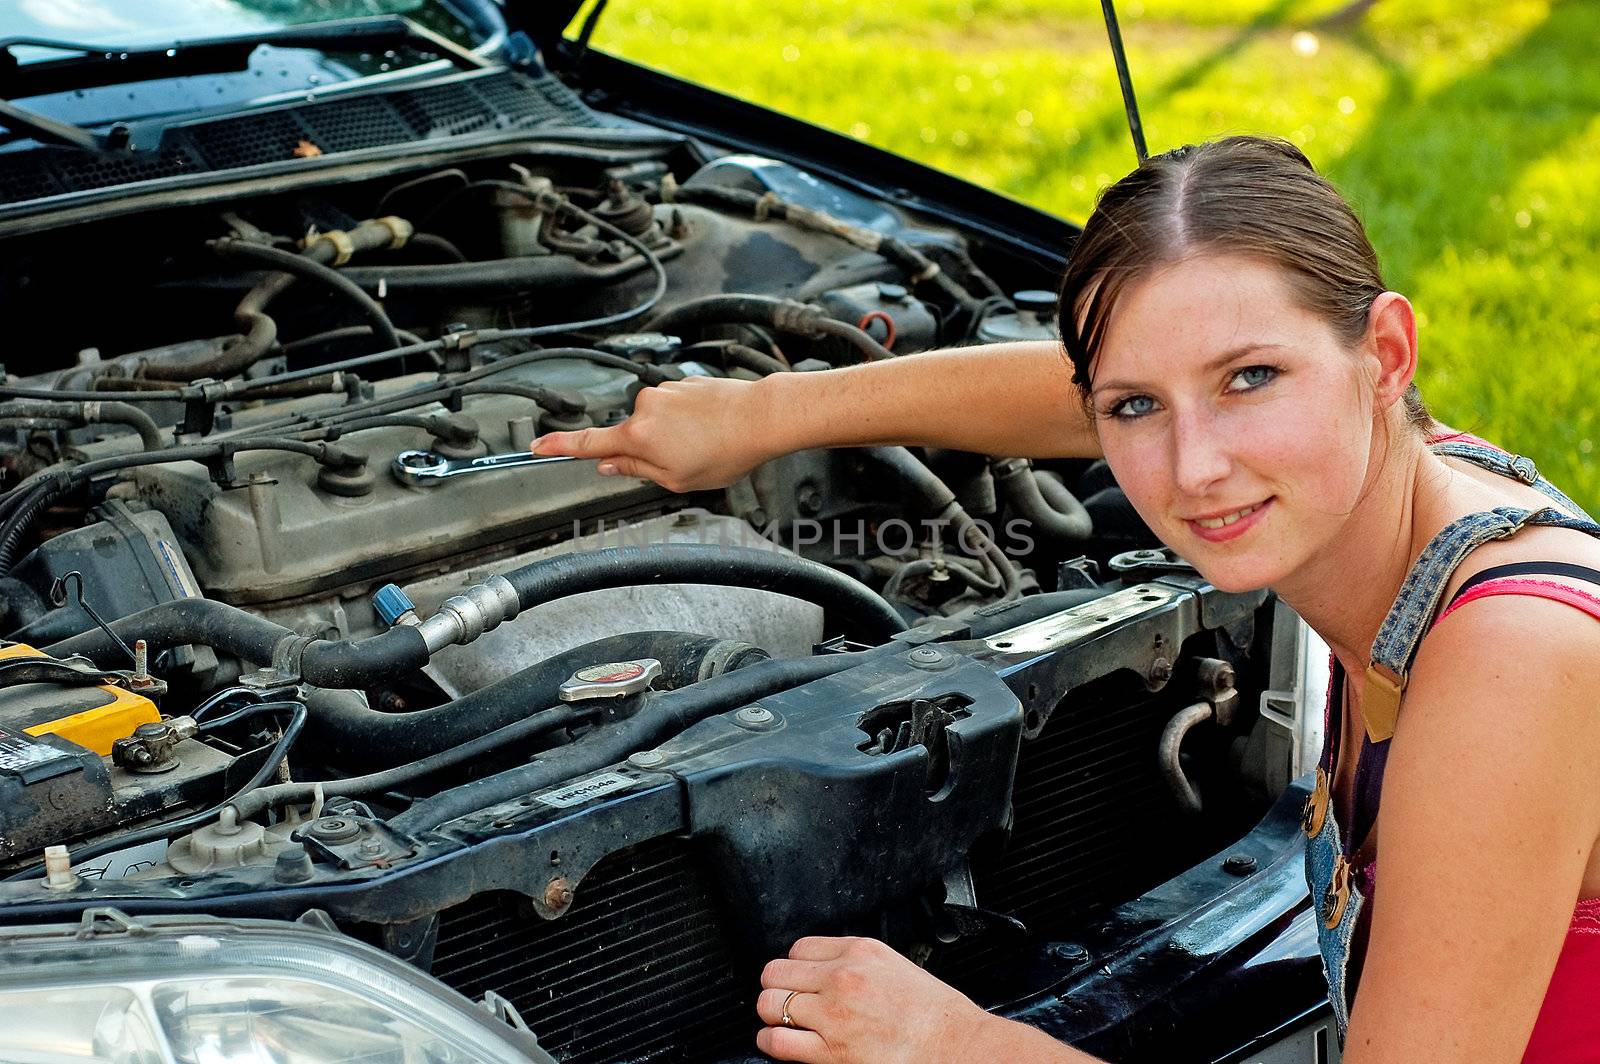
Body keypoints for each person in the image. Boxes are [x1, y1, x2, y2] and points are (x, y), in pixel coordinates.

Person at [532, 136, 1600, 1064]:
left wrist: (960, 1043)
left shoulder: (1508, 660)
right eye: (1137, 406)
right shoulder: (1428, 480)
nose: (1193, 468)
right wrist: (763, 415)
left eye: (1249, 379)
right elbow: (1085, 385)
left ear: (1385, 352)